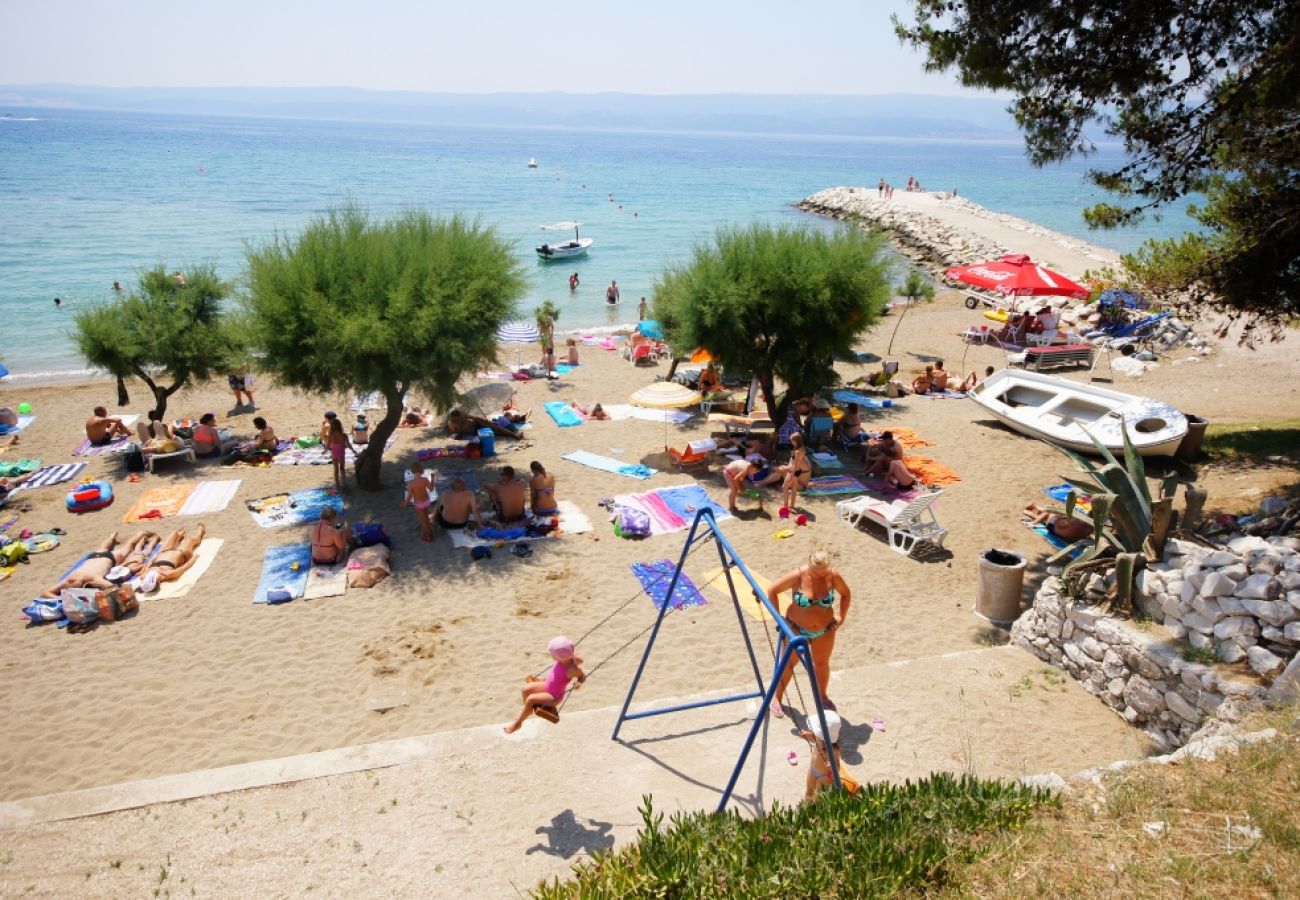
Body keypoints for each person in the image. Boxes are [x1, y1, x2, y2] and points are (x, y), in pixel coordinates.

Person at [768, 550, 852, 717]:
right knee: (789, 664)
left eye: (822, 571)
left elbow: (846, 594)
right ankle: (776, 698)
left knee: (822, 664)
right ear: (809, 563)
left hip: (825, 630)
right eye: (815, 571)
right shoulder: (798, 575)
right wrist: (779, 620)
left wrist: (841, 616)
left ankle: (822, 696)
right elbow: (772, 591)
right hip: (796, 629)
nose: (819, 574)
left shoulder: (833, 576)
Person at [504, 636, 585, 734]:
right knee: (525, 689)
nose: (551, 656)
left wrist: (578, 683)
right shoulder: (568, 659)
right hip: (546, 686)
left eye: (552, 655)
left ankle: (518, 723)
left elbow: (582, 676)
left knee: (531, 699)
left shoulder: (572, 669)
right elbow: (581, 660)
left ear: (558, 657)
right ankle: (528, 711)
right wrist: (572, 656)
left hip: (554, 696)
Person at [40, 531, 157, 597]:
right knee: (104, 547)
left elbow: (113, 588)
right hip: (94, 557)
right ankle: (112, 536)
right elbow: (45, 592)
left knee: (129, 546)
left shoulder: (87, 579)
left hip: (108, 558)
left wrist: (60, 600)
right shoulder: (71, 579)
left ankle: (141, 533)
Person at [799, 711, 858, 798]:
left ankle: (815, 808)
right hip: (813, 769)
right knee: (809, 791)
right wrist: (808, 735)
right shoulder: (818, 737)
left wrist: (832, 766)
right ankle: (806, 805)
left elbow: (837, 766)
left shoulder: (834, 750)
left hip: (824, 776)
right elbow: (815, 736)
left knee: (818, 797)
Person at [138, 524, 207, 590]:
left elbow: (146, 568)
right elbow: (184, 567)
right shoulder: (166, 575)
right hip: (181, 553)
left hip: (163, 552)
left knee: (174, 533)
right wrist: (194, 558)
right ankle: (200, 532)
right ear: (157, 582)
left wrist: (153, 560)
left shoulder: (144, 576)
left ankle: (179, 536)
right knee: (190, 539)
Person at [1024, 503, 1094, 541]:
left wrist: (1059, 515)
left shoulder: (1076, 522)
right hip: (1069, 539)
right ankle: (1036, 510)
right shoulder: (1093, 526)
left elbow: (1058, 524)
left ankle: (1034, 520)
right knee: (1052, 515)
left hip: (1055, 530)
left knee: (1051, 510)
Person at [402, 462, 435, 542]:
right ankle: (429, 530)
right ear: (422, 471)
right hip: (427, 501)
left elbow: (410, 496)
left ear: (412, 472)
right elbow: (431, 489)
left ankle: (428, 536)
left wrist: (405, 503)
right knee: (426, 517)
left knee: (423, 521)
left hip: (419, 504)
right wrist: (432, 479)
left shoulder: (411, 483)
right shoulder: (425, 480)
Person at [781, 432, 811, 512]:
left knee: (784, 487)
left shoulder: (797, 452)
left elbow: (796, 465)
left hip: (793, 471)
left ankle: (785, 506)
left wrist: (791, 475)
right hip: (797, 472)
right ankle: (792, 505)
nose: (791, 442)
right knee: (793, 487)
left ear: (796, 441)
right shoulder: (802, 448)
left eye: (792, 441)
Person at [326, 417, 355, 490]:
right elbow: (348, 445)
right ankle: (344, 483)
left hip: (334, 453)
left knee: (336, 469)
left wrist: (324, 451)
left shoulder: (330, 436)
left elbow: (328, 446)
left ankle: (337, 485)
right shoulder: (344, 435)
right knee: (342, 468)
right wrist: (353, 450)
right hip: (341, 453)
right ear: (340, 426)